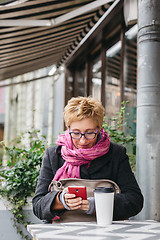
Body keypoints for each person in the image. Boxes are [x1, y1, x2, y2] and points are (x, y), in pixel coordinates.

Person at [32, 96, 143, 223]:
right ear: (68, 128)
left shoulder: (116, 154)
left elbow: (135, 200)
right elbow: (38, 205)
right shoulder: (53, 155)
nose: (83, 140)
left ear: (99, 129)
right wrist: (61, 201)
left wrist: (97, 204)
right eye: (76, 133)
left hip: (108, 232)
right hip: (62, 232)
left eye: (90, 133)